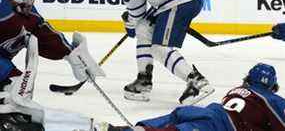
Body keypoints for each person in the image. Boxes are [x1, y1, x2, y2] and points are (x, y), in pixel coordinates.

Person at [104, 0, 214, 104]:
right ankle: (143, 81)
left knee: (158, 48)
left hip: (177, 1)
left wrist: (129, 23)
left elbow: (137, 14)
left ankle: (197, 83)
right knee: (144, 29)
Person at [0, 0, 105, 101]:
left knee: (17, 85)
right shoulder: (2, 9)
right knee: (15, 84)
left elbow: (45, 35)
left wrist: (71, 55)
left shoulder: (27, 13)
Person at [94, 62, 285, 131]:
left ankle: (128, 129)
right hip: (217, 126)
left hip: (205, 112)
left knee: (170, 119)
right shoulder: (272, 100)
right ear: (272, 85)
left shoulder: (236, 90)